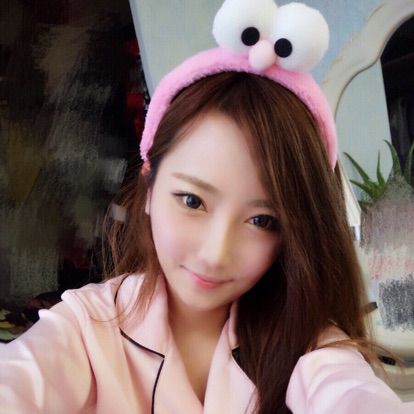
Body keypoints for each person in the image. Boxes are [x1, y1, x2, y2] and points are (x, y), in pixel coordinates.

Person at [1, 1, 413, 413]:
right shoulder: (85, 327)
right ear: (149, 185)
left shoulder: (309, 345)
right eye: (192, 201)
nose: (216, 253)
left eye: (262, 220)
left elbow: (350, 395)